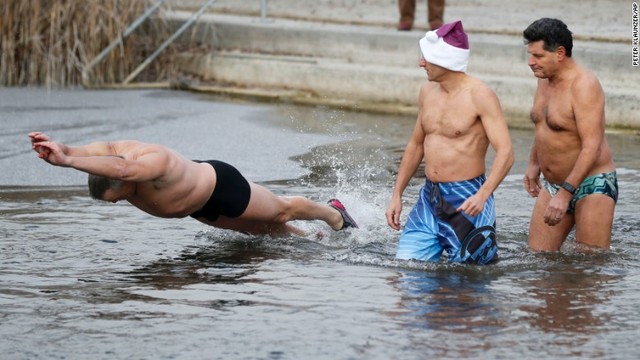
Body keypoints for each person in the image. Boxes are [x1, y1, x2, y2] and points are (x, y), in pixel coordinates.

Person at [29, 132, 358, 236]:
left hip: (220, 186)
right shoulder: (109, 156)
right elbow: (85, 152)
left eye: (117, 197)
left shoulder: (148, 162)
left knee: (281, 212)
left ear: (120, 178)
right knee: (266, 233)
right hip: (200, 209)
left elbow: (124, 170)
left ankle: (333, 215)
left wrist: (68, 162)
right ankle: (314, 241)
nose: (118, 202)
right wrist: (63, 151)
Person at [385, 21, 514, 265]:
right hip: (430, 196)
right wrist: (397, 194)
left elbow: (506, 152)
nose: (421, 63)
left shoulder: (480, 95)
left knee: (469, 285)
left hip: (467, 200)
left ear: (446, 60)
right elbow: (415, 145)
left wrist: (483, 195)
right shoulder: (427, 92)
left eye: (427, 58)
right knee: (406, 272)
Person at [522, 18, 618, 251]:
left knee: (587, 270)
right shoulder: (543, 78)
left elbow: (591, 146)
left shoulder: (584, 85)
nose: (531, 62)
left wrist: (565, 194)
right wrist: (534, 163)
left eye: (538, 56)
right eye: (530, 55)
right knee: (538, 262)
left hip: (591, 186)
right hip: (554, 184)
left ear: (560, 53)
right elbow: (543, 125)